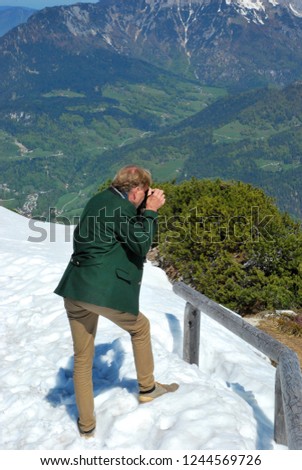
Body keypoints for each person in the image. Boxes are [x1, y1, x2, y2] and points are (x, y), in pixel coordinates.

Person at [54, 165, 178, 438]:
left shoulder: (100, 199)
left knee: (83, 358)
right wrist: (151, 211)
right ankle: (147, 389)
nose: (145, 198)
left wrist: (140, 208)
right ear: (135, 191)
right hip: (99, 291)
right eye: (144, 193)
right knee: (140, 328)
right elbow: (141, 244)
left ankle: (86, 426)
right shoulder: (122, 208)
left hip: (74, 288)